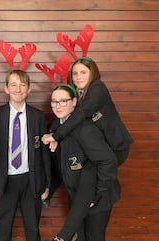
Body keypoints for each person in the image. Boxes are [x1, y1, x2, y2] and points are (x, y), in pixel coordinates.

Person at [0, 69, 51, 241]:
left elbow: (44, 153)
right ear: (6, 89)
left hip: (31, 180)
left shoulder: (37, 116)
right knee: (2, 228)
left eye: (22, 85)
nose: (18, 89)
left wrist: (47, 184)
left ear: (29, 89)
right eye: (13, 84)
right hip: (4, 180)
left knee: (33, 227)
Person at [48, 83, 120, 241]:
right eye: (54, 101)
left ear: (74, 102)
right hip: (76, 195)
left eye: (63, 101)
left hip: (98, 197)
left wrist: (95, 195)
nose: (57, 106)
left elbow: (108, 161)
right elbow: (59, 166)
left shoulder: (85, 129)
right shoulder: (55, 128)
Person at [42, 57, 133, 165]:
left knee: (100, 176)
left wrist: (56, 136)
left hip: (115, 145)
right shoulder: (76, 91)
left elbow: (81, 113)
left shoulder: (98, 88)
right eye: (75, 73)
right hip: (96, 145)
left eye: (83, 72)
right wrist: (54, 133)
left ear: (92, 73)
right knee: (96, 179)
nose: (78, 77)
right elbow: (65, 114)